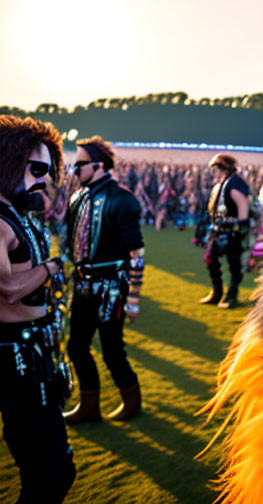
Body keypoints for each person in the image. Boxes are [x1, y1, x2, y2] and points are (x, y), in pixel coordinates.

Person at [0, 115, 76, 502]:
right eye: (36, 169)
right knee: (51, 471)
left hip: (33, 353)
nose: (43, 180)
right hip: (14, 358)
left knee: (48, 468)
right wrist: (51, 267)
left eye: (48, 170)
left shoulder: (17, 214)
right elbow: (8, 288)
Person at [63, 136, 145, 423]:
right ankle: (89, 405)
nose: (74, 170)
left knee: (112, 349)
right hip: (82, 284)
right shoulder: (77, 198)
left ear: (98, 166)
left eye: (79, 165)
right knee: (76, 346)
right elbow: (70, 244)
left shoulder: (122, 199)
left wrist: (133, 297)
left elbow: (136, 252)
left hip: (112, 286)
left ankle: (132, 401)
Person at [200, 153, 249, 308]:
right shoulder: (222, 184)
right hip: (218, 231)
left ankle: (231, 296)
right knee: (211, 260)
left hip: (232, 232)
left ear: (223, 168)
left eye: (215, 168)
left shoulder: (234, 185)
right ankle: (217, 292)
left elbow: (243, 209)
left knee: (234, 264)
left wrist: (239, 226)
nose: (213, 171)